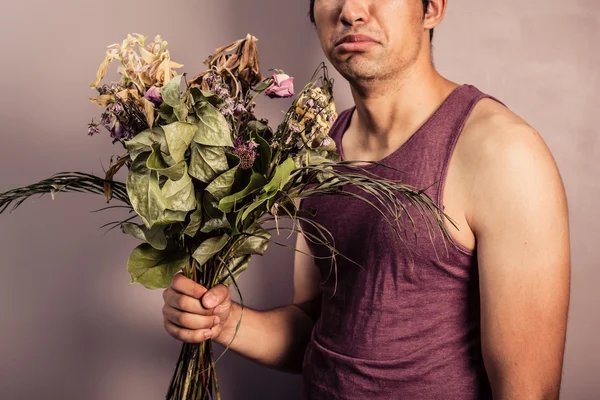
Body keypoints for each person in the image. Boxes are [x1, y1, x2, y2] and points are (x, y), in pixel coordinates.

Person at [161, 1, 571, 398]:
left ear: (432, 9)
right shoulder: (316, 151)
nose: (351, 10)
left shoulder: (504, 151)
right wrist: (220, 319)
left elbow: (528, 392)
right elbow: (318, 326)